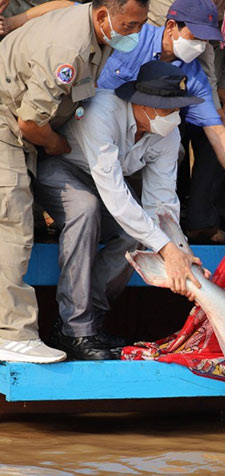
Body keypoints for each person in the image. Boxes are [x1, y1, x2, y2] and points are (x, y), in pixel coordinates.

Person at [0, 0, 148, 364]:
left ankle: (78, 327)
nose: (136, 34)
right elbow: (30, 124)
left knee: (100, 216)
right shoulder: (70, 50)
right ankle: (13, 334)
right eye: (130, 26)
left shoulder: (95, 31)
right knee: (14, 224)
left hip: (32, 127)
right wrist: (56, 144)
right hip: (9, 122)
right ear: (103, 16)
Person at [34, 61, 206, 361]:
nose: (175, 117)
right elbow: (115, 195)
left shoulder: (169, 132)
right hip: (62, 169)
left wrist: (181, 252)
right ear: (143, 103)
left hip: (105, 186)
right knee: (84, 209)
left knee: (134, 233)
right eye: (168, 109)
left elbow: (161, 201)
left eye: (179, 108)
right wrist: (166, 248)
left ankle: (89, 323)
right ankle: (74, 331)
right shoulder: (101, 112)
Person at [97, 0, 225, 241]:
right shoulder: (131, 40)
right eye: (195, 36)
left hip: (143, 148)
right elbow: (95, 94)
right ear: (171, 26)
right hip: (97, 137)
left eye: (205, 40)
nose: (199, 45)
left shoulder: (193, 75)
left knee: (145, 222)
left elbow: (218, 134)